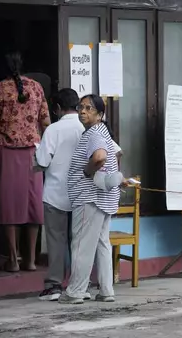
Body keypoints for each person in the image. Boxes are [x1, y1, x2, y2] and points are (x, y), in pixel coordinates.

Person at [0, 52, 50, 273]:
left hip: (6, 151)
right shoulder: (37, 87)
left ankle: (13, 260)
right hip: (33, 152)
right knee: (32, 204)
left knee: (9, 204)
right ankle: (30, 260)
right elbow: (46, 121)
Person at [59, 94, 130, 304]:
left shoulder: (94, 134)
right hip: (103, 198)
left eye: (89, 108)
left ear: (99, 114)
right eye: (80, 107)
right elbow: (116, 154)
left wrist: (88, 171)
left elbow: (99, 157)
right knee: (102, 244)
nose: (83, 111)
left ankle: (75, 292)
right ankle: (106, 290)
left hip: (90, 197)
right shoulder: (101, 132)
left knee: (81, 245)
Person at [35, 89, 85, 301]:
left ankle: (54, 286)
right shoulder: (88, 127)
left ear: (56, 108)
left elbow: (42, 162)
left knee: (56, 241)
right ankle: (80, 285)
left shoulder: (53, 130)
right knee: (79, 242)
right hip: (81, 194)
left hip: (55, 193)